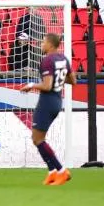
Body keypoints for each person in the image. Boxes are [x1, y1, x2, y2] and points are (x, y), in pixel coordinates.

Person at [20, 34, 74, 186]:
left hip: (47, 101)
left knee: (38, 139)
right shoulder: (63, 59)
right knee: (37, 139)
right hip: (57, 101)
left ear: (50, 44)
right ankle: (52, 172)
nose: (42, 44)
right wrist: (60, 77)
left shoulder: (47, 60)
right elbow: (73, 80)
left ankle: (61, 170)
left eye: (43, 41)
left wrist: (31, 86)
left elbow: (47, 86)